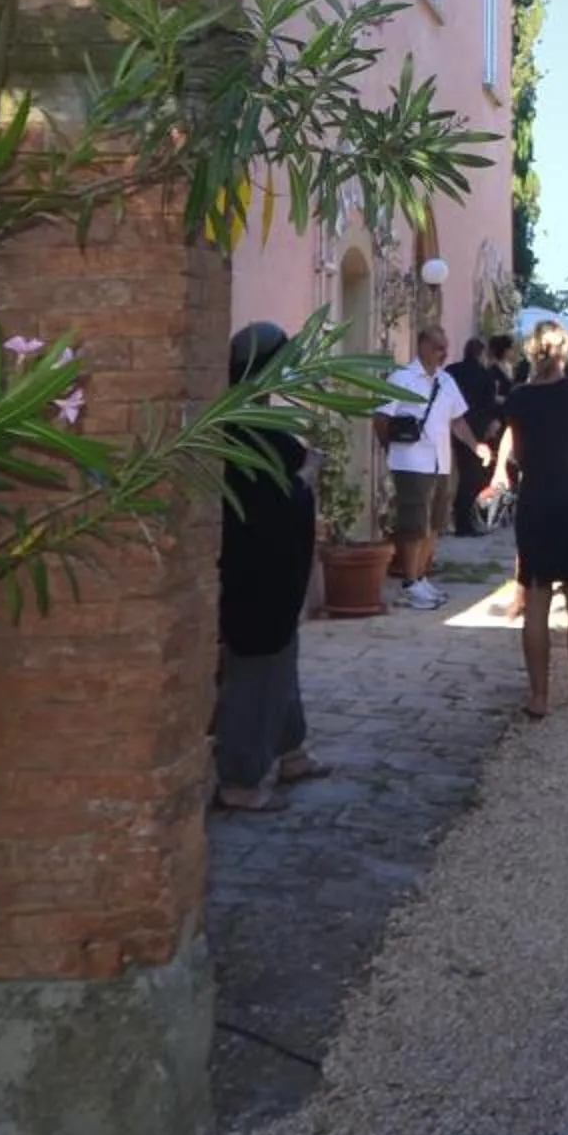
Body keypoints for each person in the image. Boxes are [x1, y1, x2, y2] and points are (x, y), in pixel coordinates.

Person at [216, 322, 330, 810]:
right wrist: (305, 479)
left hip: (271, 574)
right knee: (257, 673)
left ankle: (291, 750)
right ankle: (240, 779)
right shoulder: (243, 432)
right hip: (257, 575)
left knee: (281, 662)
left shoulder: (244, 422)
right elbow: (267, 508)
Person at [491, 320, 568, 719]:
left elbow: (516, 450)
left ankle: (538, 696)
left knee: (537, 597)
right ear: (564, 352)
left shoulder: (518, 399)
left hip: (536, 495)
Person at [374, 323, 468, 611]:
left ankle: (421, 577)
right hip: (411, 462)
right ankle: (409, 582)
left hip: (440, 461)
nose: (444, 353)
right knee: (413, 522)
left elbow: (458, 420)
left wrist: (476, 446)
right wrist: (390, 447)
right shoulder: (402, 378)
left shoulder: (446, 381)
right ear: (424, 346)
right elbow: (381, 417)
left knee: (435, 522)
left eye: (446, 347)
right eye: (439, 347)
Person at [446, 332, 504, 539]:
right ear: (481, 354)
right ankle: (465, 523)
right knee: (471, 478)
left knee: (455, 474)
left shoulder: (450, 371)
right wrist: (491, 426)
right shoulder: (486, 376)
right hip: (476, 431)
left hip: (451, 428)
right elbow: (489, 405)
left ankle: (452, 518)